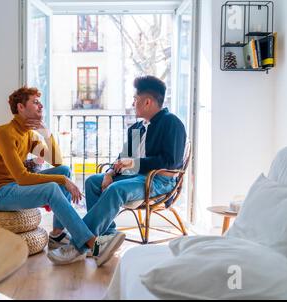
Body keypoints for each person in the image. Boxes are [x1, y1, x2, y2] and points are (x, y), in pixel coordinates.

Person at [0, 86, 125, 266]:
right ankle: (93, 245)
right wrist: (63, 181)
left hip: (12, 186)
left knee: (64, 170)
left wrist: (47, 134)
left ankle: (56, 234)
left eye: (40, 103)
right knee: (54, 186)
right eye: (35, 102)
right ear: (20, 107)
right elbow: (22, 178)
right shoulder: (5, 134)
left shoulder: (28, 135)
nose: (41, 106)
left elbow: (57, 162)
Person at [49, 76, 186, 261]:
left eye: (135, 99)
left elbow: (169, 161)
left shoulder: (171, 123)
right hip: (134, 177)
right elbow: (124, 158)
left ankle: (77, 246)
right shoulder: (137, 128)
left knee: (115, 189)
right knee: (92, 182)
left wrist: (133, 165)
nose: (133, 103)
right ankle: (104, 238)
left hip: (159, 180)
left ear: (147, 102)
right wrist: (110, 173)